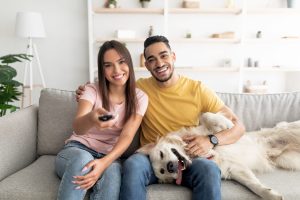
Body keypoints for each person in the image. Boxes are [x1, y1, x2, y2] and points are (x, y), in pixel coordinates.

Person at [76, 35, 245, 200]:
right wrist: (86, 91)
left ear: (173, 57)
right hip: (151, 158)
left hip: (189, 157)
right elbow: (112, 83)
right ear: (147, 65)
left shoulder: (198, 90)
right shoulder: (139, 89)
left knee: (209, 169)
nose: (159, 63)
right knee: (133, 165)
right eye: (151, 59)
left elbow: (238, 128)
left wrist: (211, 140)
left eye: (163, 56)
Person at [55, 40, 148, 200]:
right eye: (108, 65)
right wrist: (92, 117)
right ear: (102, 69)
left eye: (121, 62)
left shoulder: (140, 97)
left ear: (129, 63)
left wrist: (103, 163)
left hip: (109, 156)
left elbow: (127, 136)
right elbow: (78, 127)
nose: (117, 70)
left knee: (112, 172)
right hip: (77, 149)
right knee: (83, 160)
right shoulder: (91, 90)